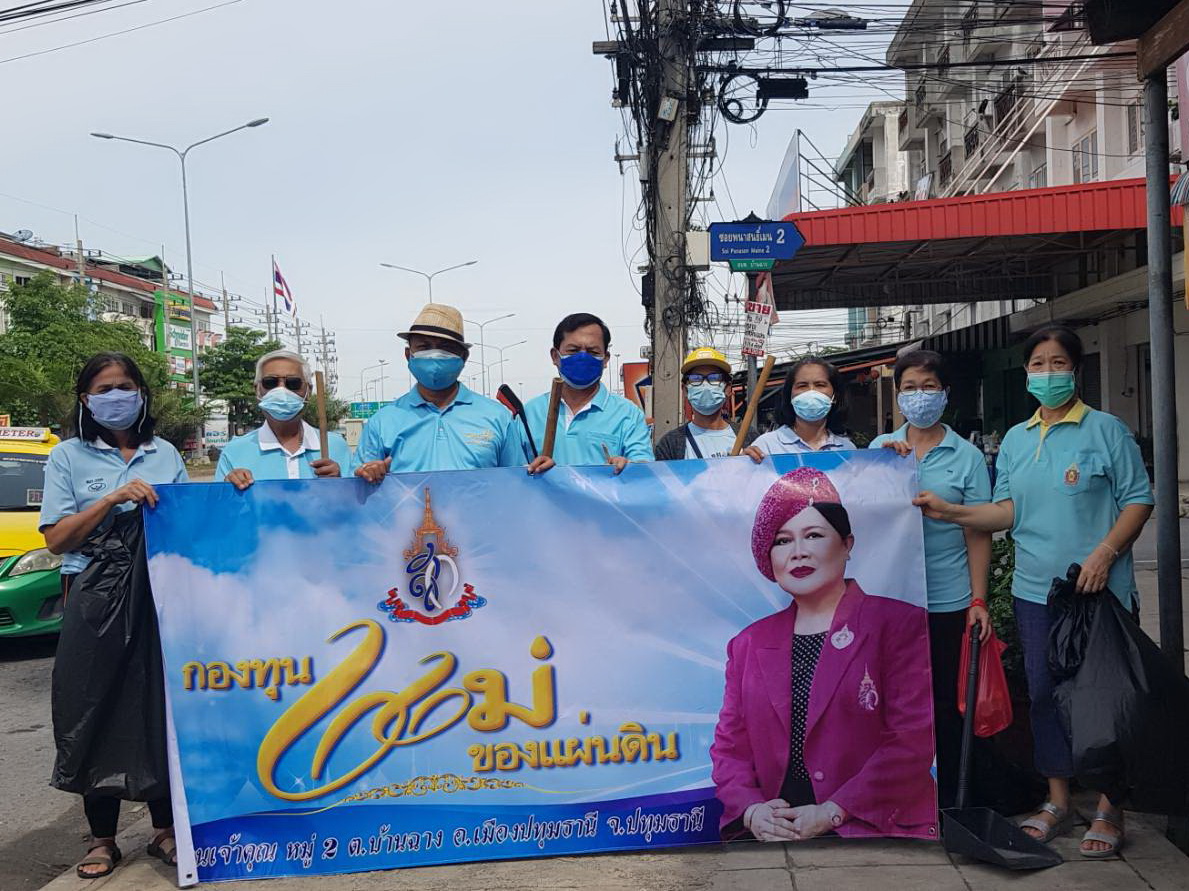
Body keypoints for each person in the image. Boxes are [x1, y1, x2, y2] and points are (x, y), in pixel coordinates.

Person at [915, 325, 1153, 858]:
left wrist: (1105, 553)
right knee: (1045, 697)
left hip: (1098, 592)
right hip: (1033, 592)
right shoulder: (1018, 440)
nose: (1048, 373)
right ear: (1026, 375)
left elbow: (1139, 500)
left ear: (1076, 370)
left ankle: (1111, 808)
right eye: (1038, 365)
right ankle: (1058, 799)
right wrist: (950, 511)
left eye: (1057, 363)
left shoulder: (1106, 430)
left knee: (1104, 701)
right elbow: (1006, 512)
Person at [711, 467, 936, 842]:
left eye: (813, 535)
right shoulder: (748, 643)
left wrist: (834, 812)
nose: (798, 552)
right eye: (782, 541)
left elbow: (912, 740)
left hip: (872, 826)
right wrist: (752, 810)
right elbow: (729, 748)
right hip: (774, 828)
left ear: (847, 544)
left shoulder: (898, 624)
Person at [38, 353, 188, 878]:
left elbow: (189, 522)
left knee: (158, 705)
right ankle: (101, 839)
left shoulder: (163, 453)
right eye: (104, 388)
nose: (116, 396)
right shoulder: (68, 457)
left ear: (142, 393)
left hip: (158, 592)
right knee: (91, 705)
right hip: (95, 595)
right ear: (86, 399)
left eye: (126, 386)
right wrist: (113, 500)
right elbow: (57, 539)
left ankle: (166, 831)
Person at [869, 350, 992, 810]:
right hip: (893, 599)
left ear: (945, 394)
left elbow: (978, 530)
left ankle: (947, 800)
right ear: (898, 395)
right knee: (891, 701)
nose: (920, 396)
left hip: (947, 598)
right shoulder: (881, 449)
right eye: (911, 388)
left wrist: (979, 600)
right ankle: (896, 793)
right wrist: (879, 465)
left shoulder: (967, 457)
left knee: (945, 701)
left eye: (929, 387)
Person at [354, 303, 544, 481]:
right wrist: (367, 474)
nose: (434, 355)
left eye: (446, 348)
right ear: (408, 354)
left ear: (464, 356)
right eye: (424, 347)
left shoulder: (498, 417)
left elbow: (515, 484)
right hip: (410, 517)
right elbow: (356, 488)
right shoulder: (382, 422)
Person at [523, 312, 653, 473]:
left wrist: (628, 467)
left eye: (593, 352)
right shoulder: (529, 414)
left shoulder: (628, 415)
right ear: (555, 356)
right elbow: (510, 475)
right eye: (573, 350)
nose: (583, 357)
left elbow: (644, 473)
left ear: (605, 359)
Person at [217, 349, 352, 488]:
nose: (282, 390)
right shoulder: (235, 451)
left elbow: (355, 504)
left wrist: (340, 482)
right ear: (257, 389)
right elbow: (217, 507)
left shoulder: (335, 446)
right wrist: (229, 490)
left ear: (308, 390)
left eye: (293, 383)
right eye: (270, 383)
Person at [655, 347, 760, 461]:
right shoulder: (670, 444)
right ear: (685, 389)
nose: (705, 385)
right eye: (696, 378)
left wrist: (752, 464)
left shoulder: (748, 436)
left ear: (728, 388)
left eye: (714, 377)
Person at [752, 357, 855, 455]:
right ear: (790, 396)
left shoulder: (847, 449)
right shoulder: (766, 447)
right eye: (802, 385)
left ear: (835, 396)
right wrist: (745, 463)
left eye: (820, 385)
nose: (811, 392)